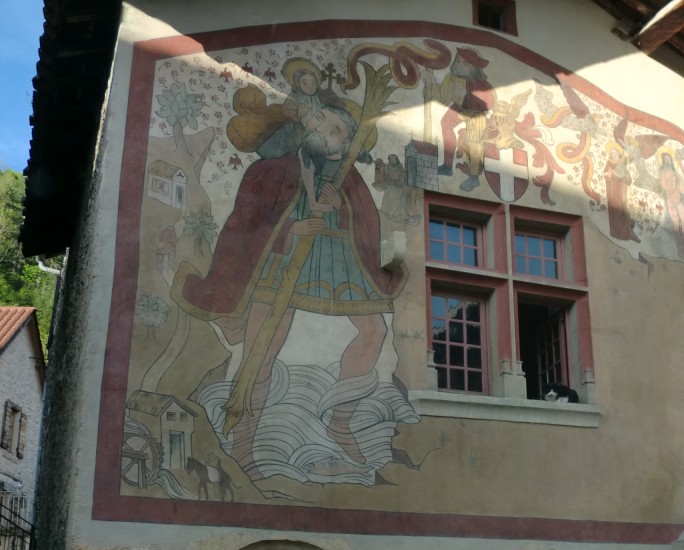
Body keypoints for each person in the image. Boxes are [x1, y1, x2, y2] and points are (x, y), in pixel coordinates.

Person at [173, 95, 406, 476]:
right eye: (321, 121)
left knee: (374, 330)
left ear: (346, 144)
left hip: (338, 264)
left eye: (335, 130)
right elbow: (245, 226)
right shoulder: (270, 171)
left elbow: (365, 227)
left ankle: (340, 420)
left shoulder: (349, 178)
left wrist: (338, 209)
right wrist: (291, 230)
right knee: (261, 351)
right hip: (280, 264)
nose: (322, 131)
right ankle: (243, 444)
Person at [423, 47, 495, 192]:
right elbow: (442, 97)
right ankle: (447, 166)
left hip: (476, 112)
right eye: (457, 60)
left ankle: (474, 177)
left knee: (473, 141)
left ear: (471, 67)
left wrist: (468, 96)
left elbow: (488, 103)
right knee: (445, 124)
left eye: (462, 62)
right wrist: (430, 83)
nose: (457, 64)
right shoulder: (453, 77)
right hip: (460, 107)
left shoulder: (482, 84)